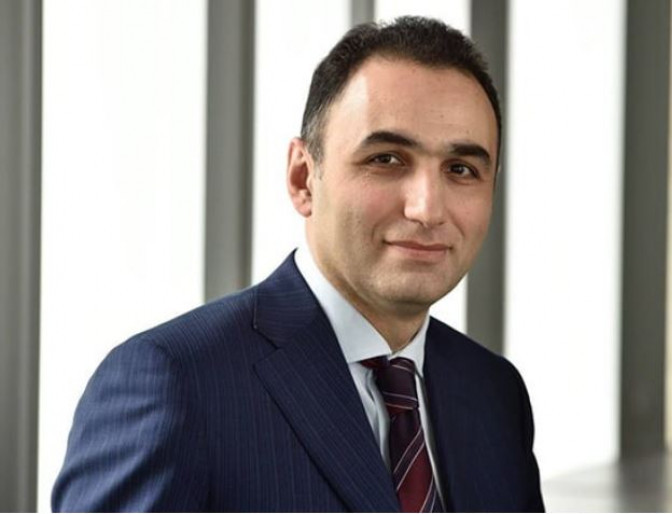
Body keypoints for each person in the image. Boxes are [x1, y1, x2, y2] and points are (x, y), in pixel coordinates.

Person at [52, 16, 544, 512]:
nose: (427, 208)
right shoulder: (178, 383)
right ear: (302, 178)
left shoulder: (495, 394)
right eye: (387, 159)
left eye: (461, 169)